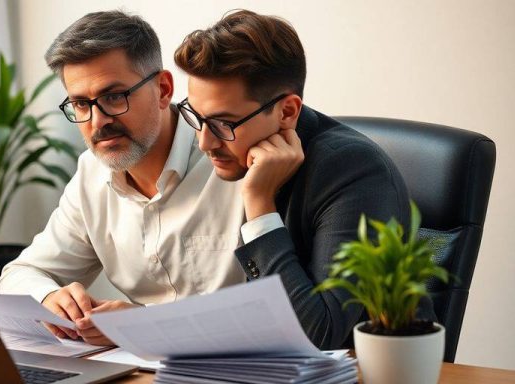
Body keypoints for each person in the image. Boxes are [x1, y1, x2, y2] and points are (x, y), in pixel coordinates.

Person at [173, 9, 435, 349]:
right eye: (196, 116)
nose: (205, 142)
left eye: (224, 123)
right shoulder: (243, 155)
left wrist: (259, 203)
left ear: (286, 112)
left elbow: (319, 336)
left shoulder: (353, 170)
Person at [0, 10, 247, 346]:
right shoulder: (92, 173)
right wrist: (50, 298)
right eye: (80, 104)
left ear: (162, 89)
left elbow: (280, 311)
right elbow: (18, 275)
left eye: (114, 97)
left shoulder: (231, 156)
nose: (98, 121)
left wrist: (143, 324)